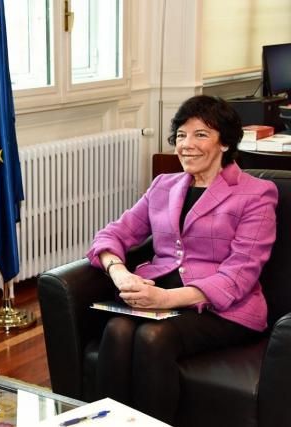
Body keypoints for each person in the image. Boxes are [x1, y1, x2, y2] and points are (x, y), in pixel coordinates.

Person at [85, 95, 278, 423]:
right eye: (181, 135)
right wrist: (119, 272)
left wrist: (165, 297)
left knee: (153, 336)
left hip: (225, 309)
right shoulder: (164, 185)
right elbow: (113, 234)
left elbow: (241, 273)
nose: (187, 145)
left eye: (201, 134)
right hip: (161, 298)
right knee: (116, 329)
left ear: (226, 143)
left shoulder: (257, 194)